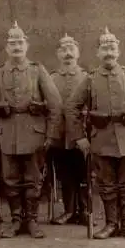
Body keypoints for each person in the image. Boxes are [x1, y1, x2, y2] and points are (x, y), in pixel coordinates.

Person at [0, 21, 62, 238]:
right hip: (7, 135)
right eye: (12, 43)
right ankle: (16, 220)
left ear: (27, 45)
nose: (16, 46)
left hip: (34, 134)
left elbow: (55, 104)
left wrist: (50, 134)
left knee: (33, 180)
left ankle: (31, 221)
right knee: (10, 180)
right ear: (6, 47)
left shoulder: (37, 71)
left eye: (20, 42)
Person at [65, 27, 125, 241]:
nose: (109, 52)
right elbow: (71, 108)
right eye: (104, 48)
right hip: (101, 139)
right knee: (106, 183)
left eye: (112, 47)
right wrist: (80, 137)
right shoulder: (90, 79)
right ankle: (111, 223)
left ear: (118, 50)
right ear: (97, 52)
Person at [49, 33, 89, 226]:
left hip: (82, 134)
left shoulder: (87, 77)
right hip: (59, 133)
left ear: (78, 52)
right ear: (58, 54)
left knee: (84, 172)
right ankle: (69, 210)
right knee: (64, 173)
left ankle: (85, 211)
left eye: (71, 49)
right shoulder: (51, 78)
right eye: (63, 50)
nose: (68, 53)